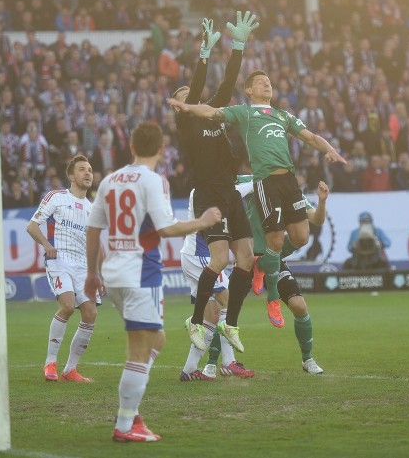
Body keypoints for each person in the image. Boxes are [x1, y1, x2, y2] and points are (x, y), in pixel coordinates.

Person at [168, 69, 346, 331]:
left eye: (269, 82)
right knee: (271, 242)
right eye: (261, 82)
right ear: (249, 90)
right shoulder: (243, 113)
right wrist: (188, 107)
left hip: (289, 181)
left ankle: (263, 267)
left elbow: (310, 137)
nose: (267, 84)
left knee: (301, 237)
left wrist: (329, 148)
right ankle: (270, 297)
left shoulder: (283, 116)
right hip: (264, 181)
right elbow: (213, 111)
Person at [84, 122, 222, 443]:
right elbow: (165, 228)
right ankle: (124, 423)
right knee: (138, 349)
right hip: (142, 273)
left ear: (131, 147)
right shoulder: (154, 181)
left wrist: (92, 273)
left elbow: (93, 230)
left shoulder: (109, 181)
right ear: (161, 151)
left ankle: (131, 411)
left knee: (157, 340)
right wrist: (202, 221)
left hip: (113, 273)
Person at [171, 12, 258, 351]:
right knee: (220, 260)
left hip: (231, 190)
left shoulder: (213, 111)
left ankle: (231, 324)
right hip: (209, 194)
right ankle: (195, 321)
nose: (193, 96)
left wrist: (238, 45)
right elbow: (195, 90)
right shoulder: (187, 125)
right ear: (180, 106)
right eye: (186, 96)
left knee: (247, 258)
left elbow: (228, 83)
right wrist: (204, 52)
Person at [240, 176, 327, 374]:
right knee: (225, 307)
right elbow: (229, 184)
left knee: (299, 306)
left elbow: (317, 219)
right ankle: (212, 362)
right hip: (245, 257)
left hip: (272, 258)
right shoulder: (254, 181)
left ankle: (308, 359)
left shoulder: (290, 192)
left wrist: (321, 202)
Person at [26, 155, 98, 383]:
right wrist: (47, 245)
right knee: (67, 306)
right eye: (81, 170)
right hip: (59, 260)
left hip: (83, 266)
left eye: (89, 170)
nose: (87, 173)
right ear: (71, 176)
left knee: (90, 313)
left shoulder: (92, 208)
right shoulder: (56, 198)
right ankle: (50, 362)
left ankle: (71, 369)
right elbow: (32, 226)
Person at [178, 192, 255, 381]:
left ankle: (189, 370)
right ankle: (229, 363)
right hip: (200, 255)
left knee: (212, 314)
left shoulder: (213, 184)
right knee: (227, 300)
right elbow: (244, 184)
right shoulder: (208, 187)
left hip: (194, 254)